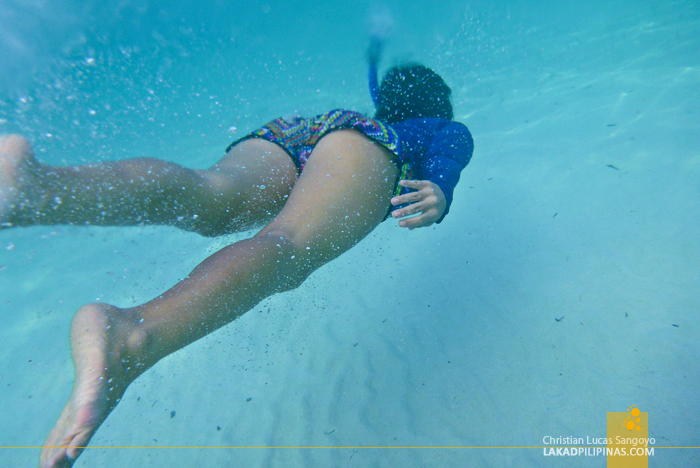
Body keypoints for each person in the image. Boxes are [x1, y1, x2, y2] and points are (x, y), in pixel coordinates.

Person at [0, 41, 473, 468]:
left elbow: (383, 85)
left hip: (306, 130)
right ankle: (133, 334)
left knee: (213, 193)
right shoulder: (438, 125)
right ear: (438, 102)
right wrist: (441, 189)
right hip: (366, 149)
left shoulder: (378, 108)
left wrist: (377, 50)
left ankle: (40, 189)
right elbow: (454, 146)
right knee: (285, 246)